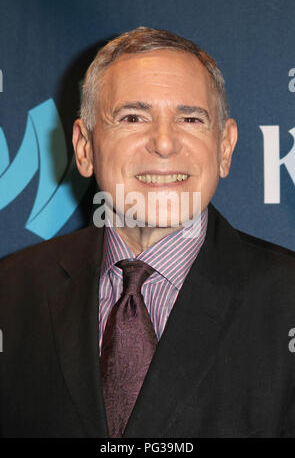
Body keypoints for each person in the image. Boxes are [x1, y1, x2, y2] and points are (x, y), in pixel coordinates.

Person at [1, 26, 295, 438]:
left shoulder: (288, 300)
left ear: (224, 148)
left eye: (190, 118)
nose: (163, 143)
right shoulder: (10, 292)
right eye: (133, 117)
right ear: (84, 148)